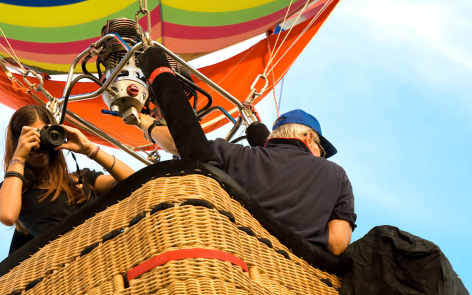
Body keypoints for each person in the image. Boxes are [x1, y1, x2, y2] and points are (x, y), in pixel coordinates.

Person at [138, 109, 356, 255]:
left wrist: (147, 124)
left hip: (228, 261)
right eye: (322, 149)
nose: (321, 155)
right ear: (309, 138)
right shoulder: (338, 176)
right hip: (296, 283)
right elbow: (337, 245)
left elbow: (179, 144)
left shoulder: (233, 154)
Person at [0, 105, 135, 238]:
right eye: (30, 138)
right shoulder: (16, 190)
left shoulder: (82, 179)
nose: (38, 145)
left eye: (43, 135)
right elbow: (7, 215)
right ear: (16, 143)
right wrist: (19, 157)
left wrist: (90, 149)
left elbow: (135, 181)